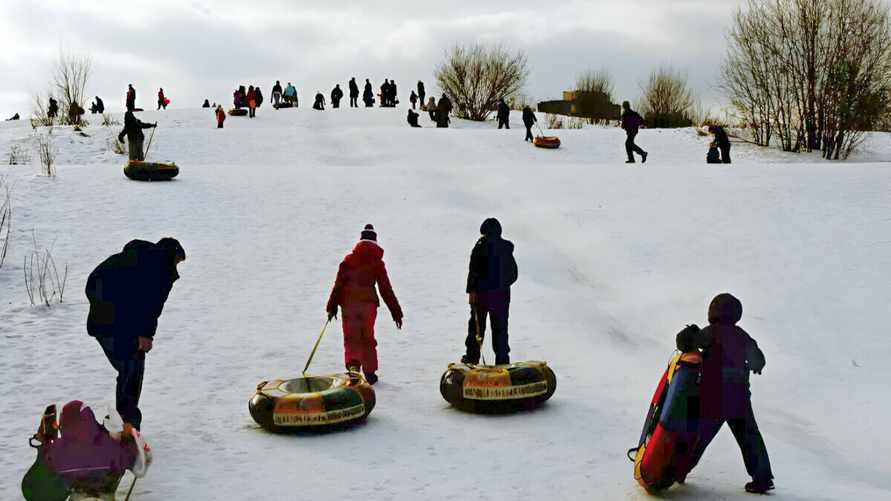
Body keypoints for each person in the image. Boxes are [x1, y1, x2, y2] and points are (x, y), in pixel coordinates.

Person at [675, 294, 774, 494]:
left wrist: (688, 335)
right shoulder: (742, 336)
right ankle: (762, 478)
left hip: (712, 397)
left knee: (697, 437)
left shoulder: (710, 333)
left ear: (712, 312)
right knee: (750, 437)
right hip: (738, 398)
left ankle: (678, 470)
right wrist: (754, 365)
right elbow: (758, 361)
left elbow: (687, 343)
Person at [85, 238, 186, 430]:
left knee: (129, 367)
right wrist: (146, 335)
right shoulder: (160, 268)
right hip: (114, 323)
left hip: (104, 322)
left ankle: (122, 420)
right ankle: (126, 423)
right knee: (132, 366)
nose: (177, 268)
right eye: (178, 261)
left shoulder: (137, 257)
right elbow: (152, 305)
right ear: (171, 255)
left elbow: (95, 283)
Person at [326, 225, 403, 384]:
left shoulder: (348, 260)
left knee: (351, 337)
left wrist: (332, 306)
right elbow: (385, 289)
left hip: (349, 304)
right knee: (367, 337)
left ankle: (354, 367)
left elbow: (338, 284)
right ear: (375, 242)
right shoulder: (377, 263)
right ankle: (370, 373)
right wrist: (396, 312)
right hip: (369, 306)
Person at [462, 218, 518, 366]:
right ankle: (502, 360)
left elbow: (473, 271)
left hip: (482, 296)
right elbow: (513, 274)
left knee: (476, 327)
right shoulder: (506, 248)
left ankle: (472, 357)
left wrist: (472, 292)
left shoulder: (480, 246)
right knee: (500, 329)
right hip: (501, 297)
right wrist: (502, 285)